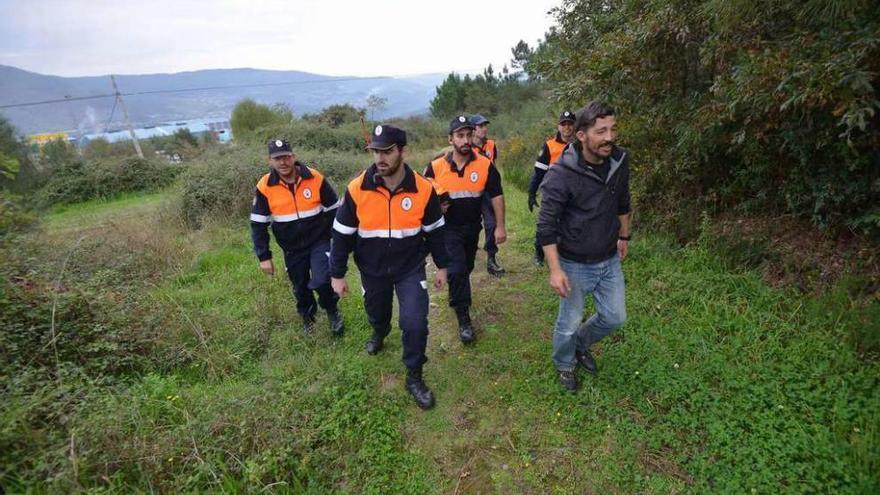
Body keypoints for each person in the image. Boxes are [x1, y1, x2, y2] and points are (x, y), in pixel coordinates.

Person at [330, 124, 448, 410]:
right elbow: (341, 233)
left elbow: (435, 231)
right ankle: (379, 332)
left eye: (387, 151)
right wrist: (337, 273)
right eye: (375, 152)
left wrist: (442, 266)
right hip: (372, 269)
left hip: (410, 268)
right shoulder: (358, 188)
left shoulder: (423, 188)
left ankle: (414, 376)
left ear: (403, 152)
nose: (379, 158)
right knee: (377, 312)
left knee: (415, 322)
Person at [536, 102, 632, 392]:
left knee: (615, 317)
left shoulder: (619, 160)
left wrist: (624, 236)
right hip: (574, 262)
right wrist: (555, 269)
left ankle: (579, 344)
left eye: (612, 129)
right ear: (581, 135)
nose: (609, 137)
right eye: (601, 131)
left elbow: (623, 200)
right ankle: (565, 364)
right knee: (569, 320)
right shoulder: (561, 174)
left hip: (609, 257)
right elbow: (546, 226)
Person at [425, 115, 506, 344]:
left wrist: (500, 226)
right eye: (460, 136)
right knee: (458, 270)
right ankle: (464, 318)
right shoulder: (435, 167)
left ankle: (458, 288)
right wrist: (435, 208)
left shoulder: (484, 165)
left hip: (472, 227)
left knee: (466, 266)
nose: (466, 140)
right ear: (450, 139)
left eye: (469, 135)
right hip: (447, 229)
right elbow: (422, 193)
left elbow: (497, 195)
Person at [250, 139, 344, 335]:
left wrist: (335, 240)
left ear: (293, 157)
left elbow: (334, 210)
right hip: (291, 247)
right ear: (270, 160)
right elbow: (258, 223)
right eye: (277, 158)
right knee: (300, 286)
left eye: (286, 157)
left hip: (319, 241)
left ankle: (332, 310)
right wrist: (264, 256)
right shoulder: (265, 185)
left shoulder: (314, 177)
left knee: (322, 279)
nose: (282, 162)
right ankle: (308, 318)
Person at [528, 110, 576, 266]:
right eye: (564, 124)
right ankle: (539, 253)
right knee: (547, 224)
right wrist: (531, 193)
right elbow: (538, 173)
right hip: (552, 193)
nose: (567, 128)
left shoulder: (581, 145)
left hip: (575, 193)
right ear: (559, 126)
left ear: (574, 126)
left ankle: (568, 256)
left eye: (570, 124)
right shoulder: (549, 146)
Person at [469, 113, 505, 276]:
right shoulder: (466, 148)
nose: (484, 129)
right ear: (473, 130)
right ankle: (468, 253)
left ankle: (491, 259)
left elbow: (493, 166)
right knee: (472, 226)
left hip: (488, 191)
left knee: (491, 224)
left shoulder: (491, 145)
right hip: (471, 192)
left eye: (485, 125)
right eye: (480, 126)